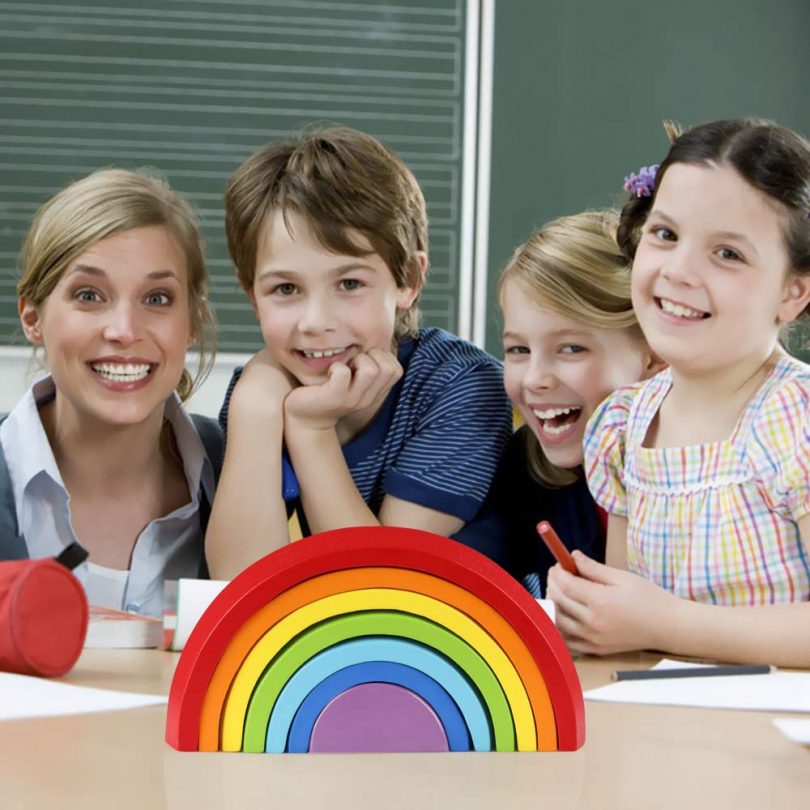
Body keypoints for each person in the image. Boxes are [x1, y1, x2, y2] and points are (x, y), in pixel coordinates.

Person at [547, 118, 810, 668]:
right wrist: (592, 610)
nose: (680, 271)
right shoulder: (623, 423)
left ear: (793, 292)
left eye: (728, 254)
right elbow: (626, 635)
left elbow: (653, 623)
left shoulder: (796, 418)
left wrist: (664, 621)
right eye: (665, 235)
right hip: (656, 732)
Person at [206, 127, 512, 579]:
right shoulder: (265, 390)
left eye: (349, 284)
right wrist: (254, 405)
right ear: (252, 294)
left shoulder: (460, 384)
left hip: (482, 637)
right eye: (285, 288)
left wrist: (311, 429)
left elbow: (377, 581)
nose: (315, 321)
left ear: (408, 280)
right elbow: (239, 581)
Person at [0, 168, 222, 618]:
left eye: (157, 299)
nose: (124, 331)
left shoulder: (244, 471)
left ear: (193, 322)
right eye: (89, 295)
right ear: (33, 318)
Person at [492, 210, 661, 596]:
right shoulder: (523, 469)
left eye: (571, 349)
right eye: (518, 349)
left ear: (654, 355)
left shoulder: (707, 474)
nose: (535, 379)